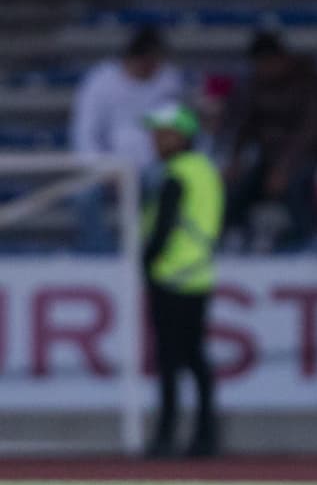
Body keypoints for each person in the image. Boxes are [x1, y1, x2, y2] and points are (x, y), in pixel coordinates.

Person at [140, 104, 224, 458]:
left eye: (163, 134)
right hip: (199, 274)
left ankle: (165, 436)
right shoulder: (206, 170)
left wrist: (146, 260)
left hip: (169, 275)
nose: (156, 141)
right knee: (195, 359)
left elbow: (163, 227)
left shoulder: (176, 174)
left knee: (170, 361)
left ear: (181, 136)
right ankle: (206, 435)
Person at [69, 26, 183, 250]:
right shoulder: (100, 81)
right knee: (84, 196)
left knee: (166, 183)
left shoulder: (167, 81)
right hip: (106, 166)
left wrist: (149, 164)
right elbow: (84, 133)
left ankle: (148, 248)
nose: (156, 69)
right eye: (152, 63)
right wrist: (104, 168)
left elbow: (172, 133)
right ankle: (100, 255)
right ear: (136, 59)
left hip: (150, 166)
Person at [222, 31, 317, 250]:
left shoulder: (308, 81)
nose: (263, 69)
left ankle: (309, 239)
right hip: (269, 160)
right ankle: (235, 235)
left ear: (280, 58)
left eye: (267, 63)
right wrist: (235, 159)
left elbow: (312, 132)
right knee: (238, 186)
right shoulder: (255, 85)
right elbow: (243, 126)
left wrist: (284, 168)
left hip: (309, 158)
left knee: (296, 187)